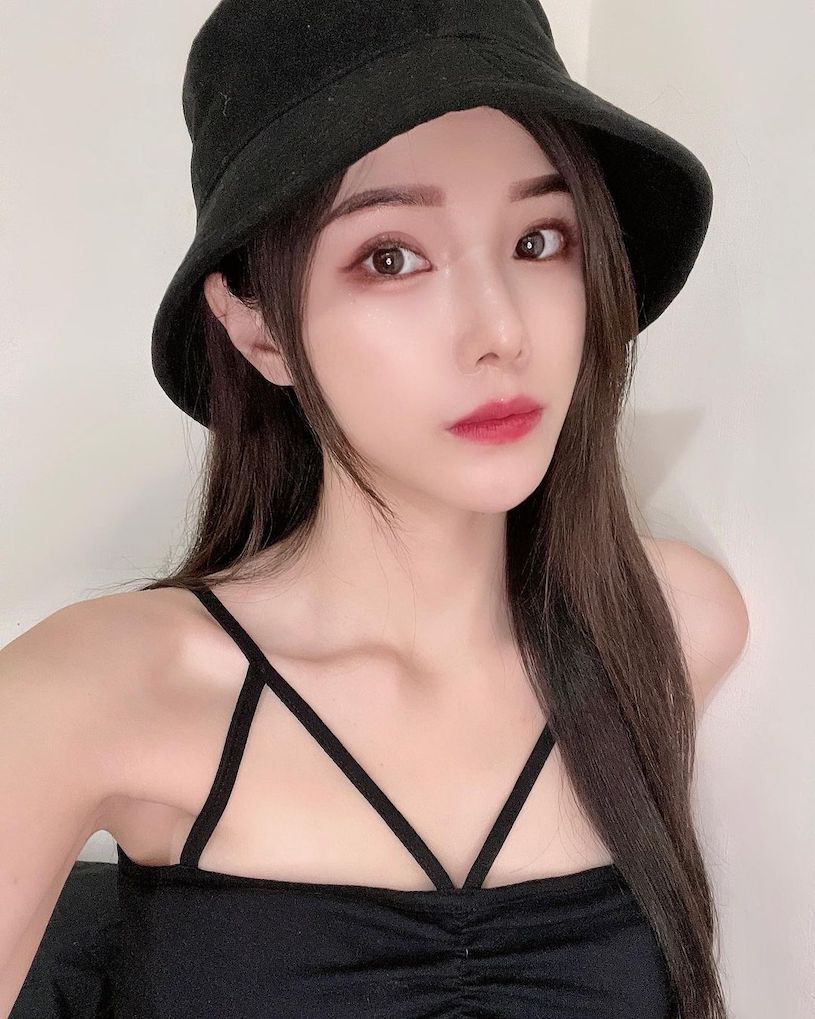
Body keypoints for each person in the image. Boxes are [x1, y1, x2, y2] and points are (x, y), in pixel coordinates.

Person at [1, 2, 749, 1016]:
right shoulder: (92, 691)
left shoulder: (668, 626)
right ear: (258, 331)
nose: (499, 331)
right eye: (390, 256)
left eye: (538, 239)